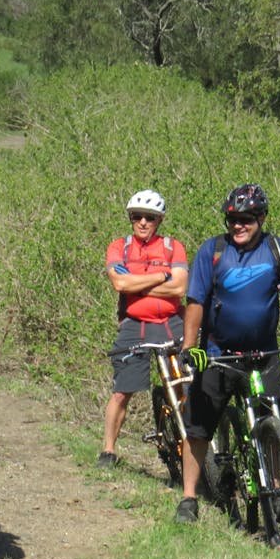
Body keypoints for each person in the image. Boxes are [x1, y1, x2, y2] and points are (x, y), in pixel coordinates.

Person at [174, 184, 280, 523]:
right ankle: (188, 499)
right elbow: (195, 301)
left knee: (272, 420)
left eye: (246, 220)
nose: (238, 226)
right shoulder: (212, 252)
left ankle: (276, 488)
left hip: (263, 355)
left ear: (261, 218)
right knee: (198, 428)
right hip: (217, 355)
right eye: (232, 220)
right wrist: (189, 348)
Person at [98, 190, 188, 468]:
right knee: (122, 391)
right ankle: (108, 450)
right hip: (133, 324)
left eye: (149, 217)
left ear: (159, 220)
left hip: (171, 322)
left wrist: (139, 282)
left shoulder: (174, 247)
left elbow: (180, 287)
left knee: (185, 384)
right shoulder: (119, 247)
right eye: (136, 217)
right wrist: (162, 276)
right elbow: (119, 285)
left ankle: (191, 448)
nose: (142, 222)